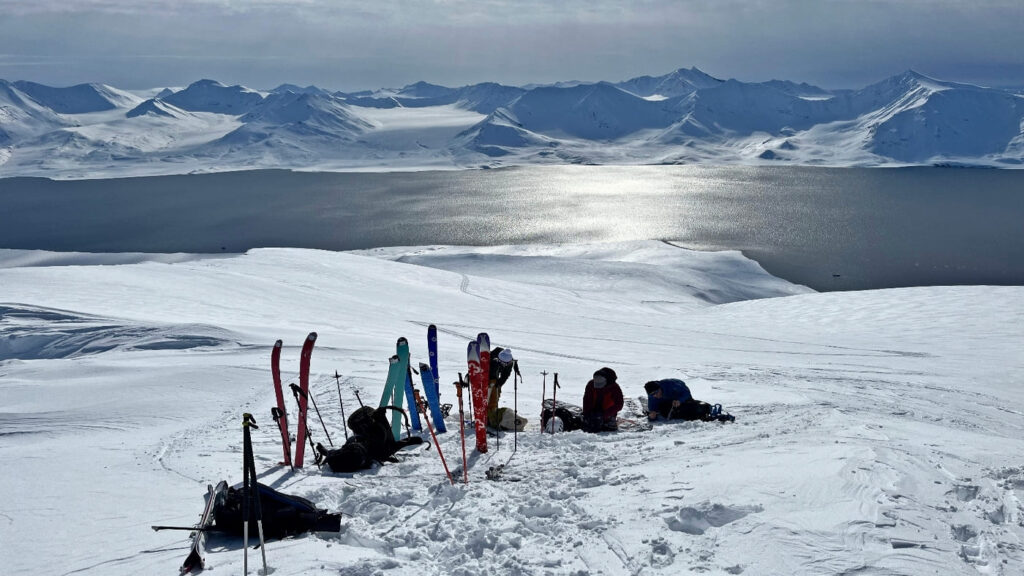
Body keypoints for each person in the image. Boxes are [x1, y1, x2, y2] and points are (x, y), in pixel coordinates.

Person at [644, 379, 734, 422]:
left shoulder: (671, 385)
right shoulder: (652, 397)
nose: (655, 396)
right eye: (652, 395)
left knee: (690, 407)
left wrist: (680, 400)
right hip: (669, 403)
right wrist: (652, 416)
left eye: (656, 393)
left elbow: (686, 393)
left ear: (660, 388)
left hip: (681, 397)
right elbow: (653, 411)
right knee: (666, 411)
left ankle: (706, 409)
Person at [486, 347, 527, 431]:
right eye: (502, 363)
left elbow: (505, 375)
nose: (503, 365)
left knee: (494, 397)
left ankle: (491, 416)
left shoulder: (509, 363)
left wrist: (499, 384)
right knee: (488, 397)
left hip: (496, 378)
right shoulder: (492, 356)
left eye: (505, 364)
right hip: (488, 375)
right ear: (498, 358)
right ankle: (487, 414)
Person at [582, 367, 624, 432]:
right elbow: (587, 400)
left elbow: (619, 404)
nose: (598, 386)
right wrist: (586, 414)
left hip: (608, 413)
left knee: (608, 428)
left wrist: (604, 415)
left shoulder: (614, 388)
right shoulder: (590, 384)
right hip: (593, 411)